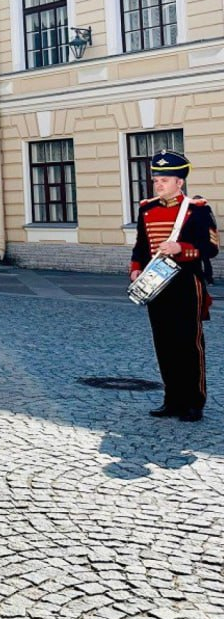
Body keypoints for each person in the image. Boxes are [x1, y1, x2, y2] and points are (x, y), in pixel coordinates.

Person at [130, 150, 216, 422]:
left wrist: (181, 247)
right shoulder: (147, 208)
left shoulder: (197, 210)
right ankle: (172, 399)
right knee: (164, 343)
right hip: (157, 285)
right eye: (156, 180)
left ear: (180, 182)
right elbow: (141, 247)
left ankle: (194, 402)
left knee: (189, 344)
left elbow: (210, 248)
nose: (158, 184)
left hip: (186, 283)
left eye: (164, 180)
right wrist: (135, 270)